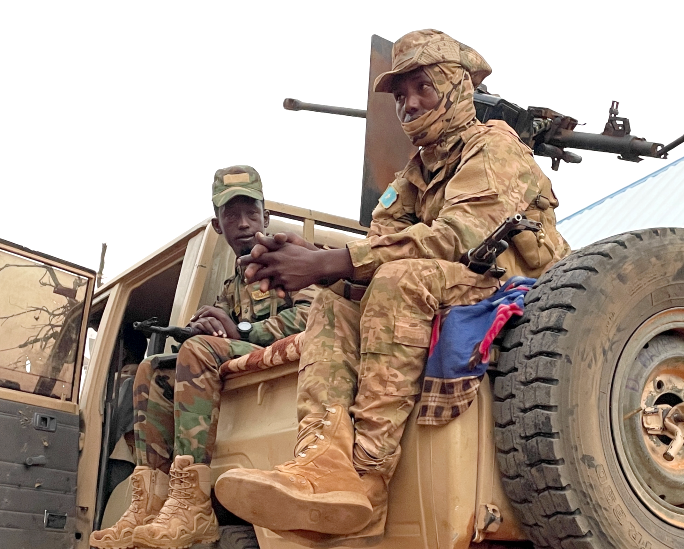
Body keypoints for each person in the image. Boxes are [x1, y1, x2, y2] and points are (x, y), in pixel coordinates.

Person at [214, 29, 570, 543]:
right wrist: (308, 259)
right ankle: (324, 462)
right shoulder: (412, 174)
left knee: (398, 281)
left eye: (421, 87)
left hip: (515, 283)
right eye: (400, 95)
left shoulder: (495, 146)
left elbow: (460, 238)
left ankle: (369, 476)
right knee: (336, 300)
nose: (408, 105)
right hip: (454, 280)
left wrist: (329, 260)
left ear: (453, 85)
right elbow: (377, 244)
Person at [89, 166, 319, 549]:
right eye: (232, 215)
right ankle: (152, 503)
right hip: (244, 380)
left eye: (251, 213)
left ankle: (193, 504)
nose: (244, 224)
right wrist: (204, 326)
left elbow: (313, 317)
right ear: (218, 225)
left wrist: (241, 331)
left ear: (267, 216)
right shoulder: (234, 284)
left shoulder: (293, 257)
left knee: (196, 352)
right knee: (152, 369)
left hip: (279, 376)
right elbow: (222, 329)